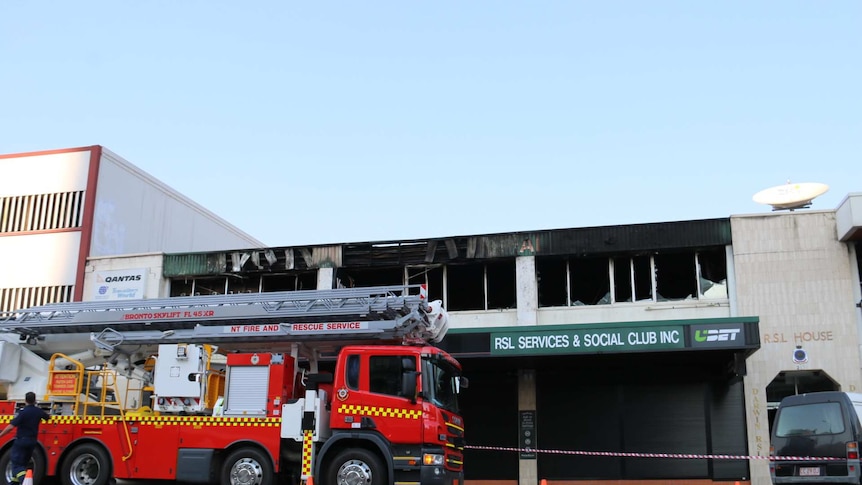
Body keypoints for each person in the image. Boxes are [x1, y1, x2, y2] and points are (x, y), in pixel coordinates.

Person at [0, 392, 50, 485]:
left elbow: (11, 427)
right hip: (32, 442)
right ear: (34, 400)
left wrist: (1, 434)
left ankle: (24, 481)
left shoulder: (23, 412)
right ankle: (14, 482)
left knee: (16, 464)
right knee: (23, 463)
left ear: (25, 400)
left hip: (21, 441)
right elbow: (47, 417)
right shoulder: (38, 411)